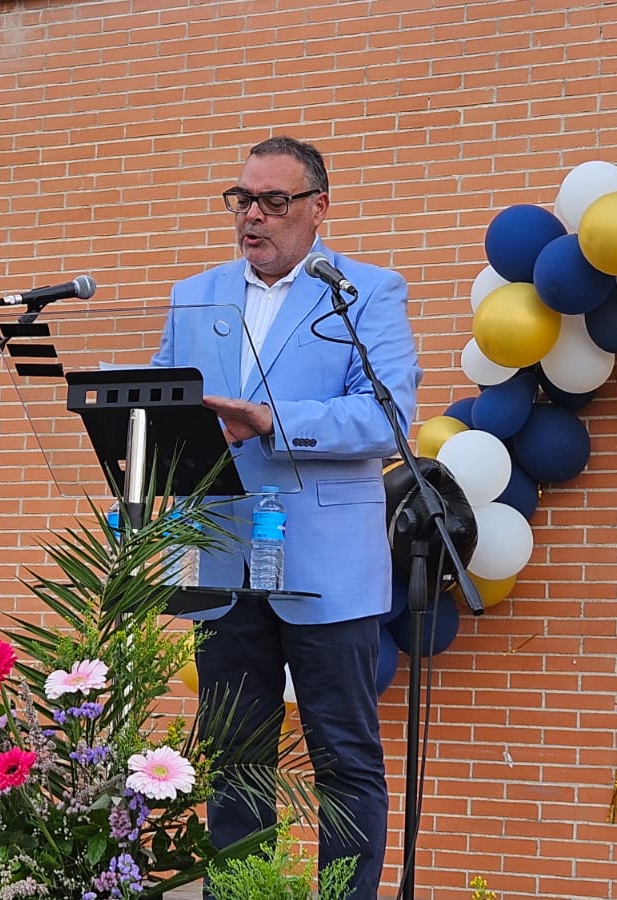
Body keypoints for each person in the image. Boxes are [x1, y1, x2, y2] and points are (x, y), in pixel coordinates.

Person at [151, 135, 421, 899]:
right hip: (224, 555)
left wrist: (274, 419)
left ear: (317, 209)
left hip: (327, 565)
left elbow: (389, 417)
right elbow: (170, 408)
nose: (253, 217)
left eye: (274, 201)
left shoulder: (363, 291)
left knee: (342, 757)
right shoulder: (193, 294)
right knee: (234, 755)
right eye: (243, 200)